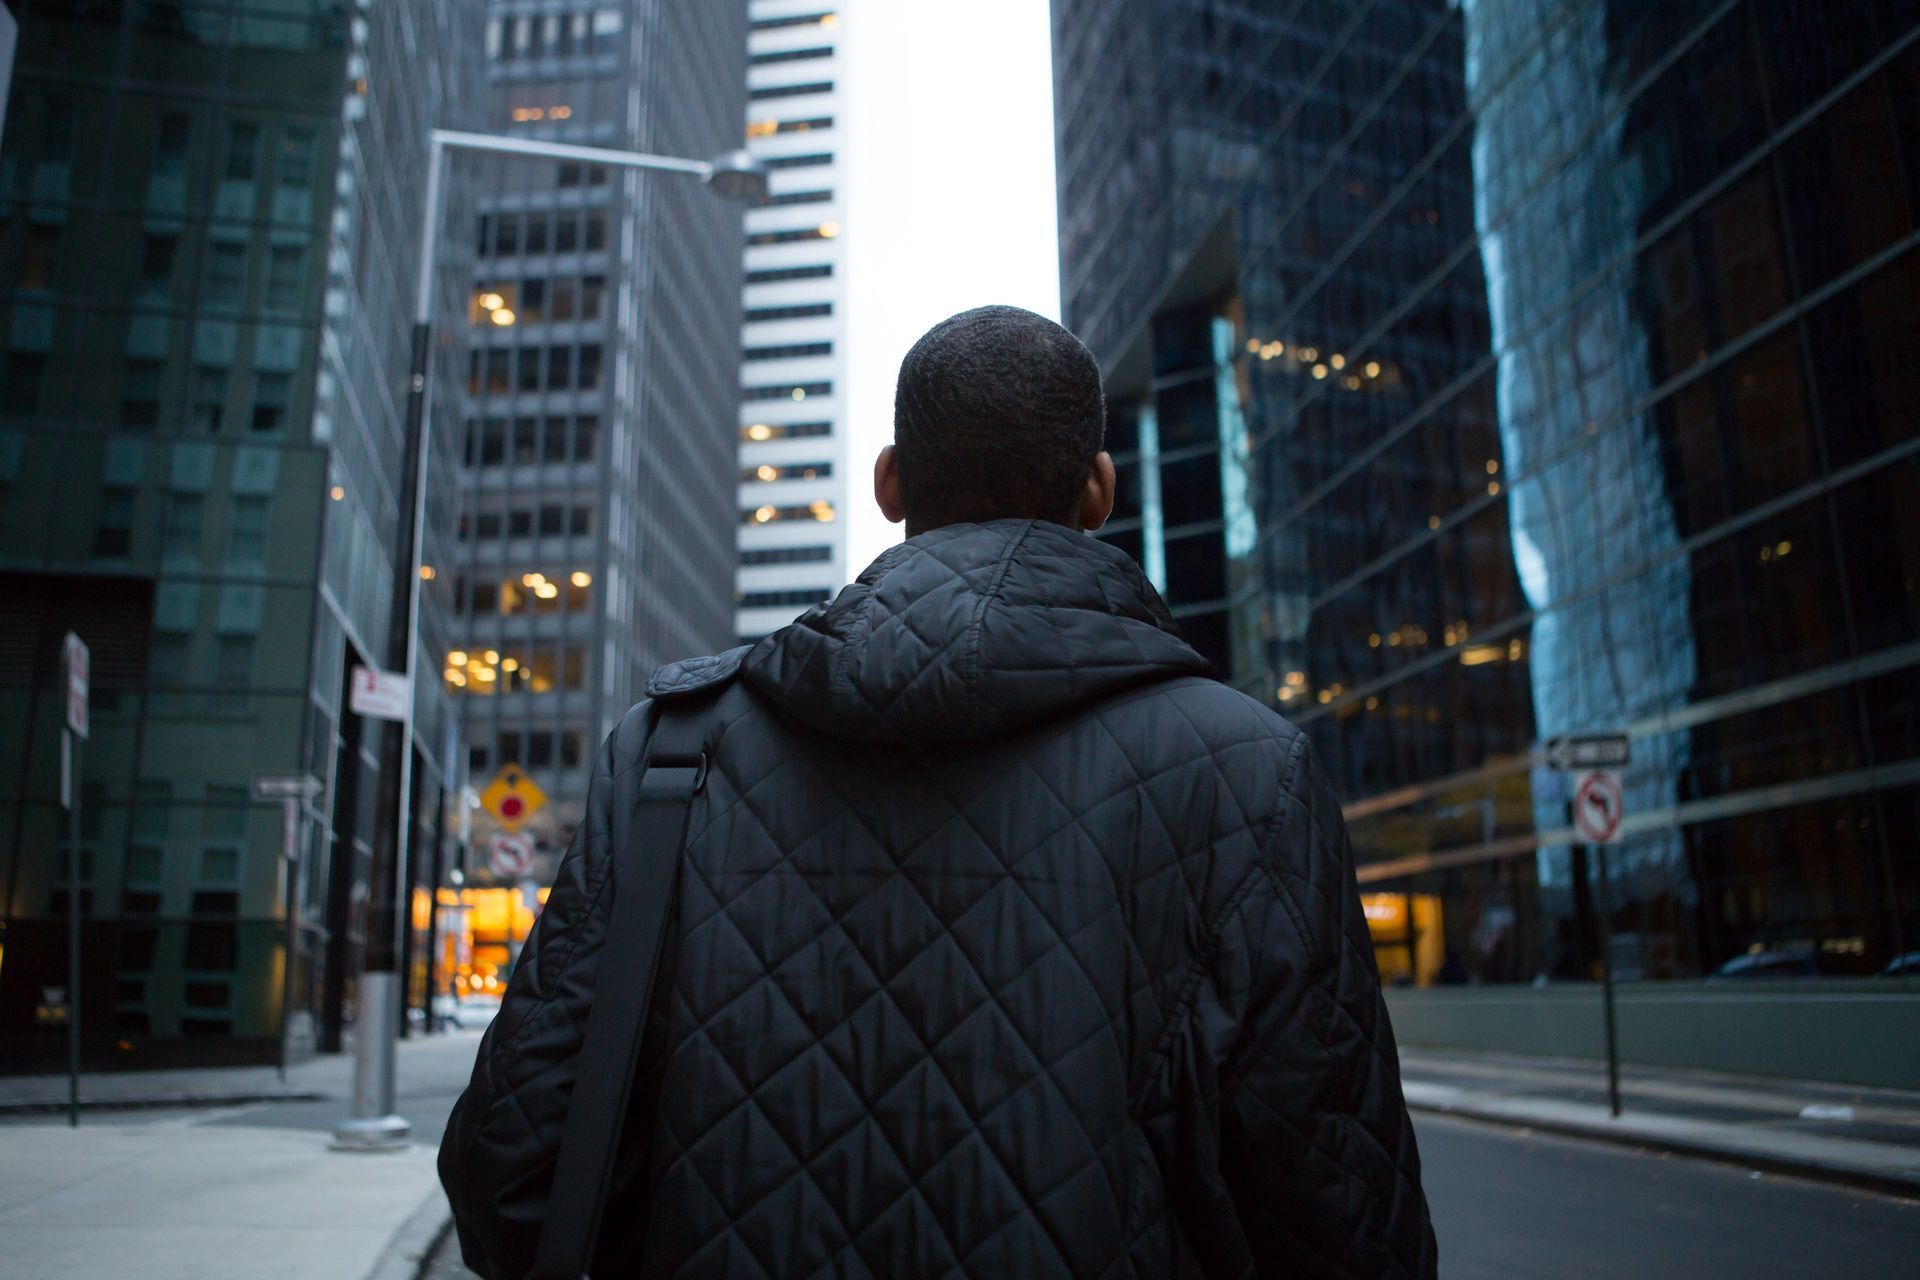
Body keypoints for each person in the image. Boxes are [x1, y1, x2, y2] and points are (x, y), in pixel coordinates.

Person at [439, 305, 1437, 1278]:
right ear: (1099, 490)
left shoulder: (672, 752)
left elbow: (512, 1168)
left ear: (888, 482)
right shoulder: (1251, 769)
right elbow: (1340, 1218)